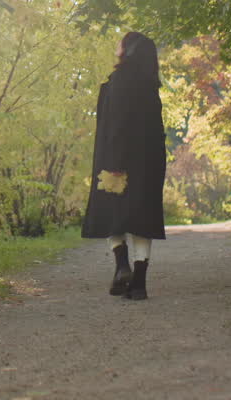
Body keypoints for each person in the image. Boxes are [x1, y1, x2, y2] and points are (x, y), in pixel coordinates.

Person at [81, 31, 166, 300]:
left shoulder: (120, 80)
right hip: (149, 160)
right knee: (143, 219)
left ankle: (121, 266)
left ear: (128, 49)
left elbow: (116, 123)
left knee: (111, 213)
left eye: (121, 42)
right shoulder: (150, 84)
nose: (116, 45)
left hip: (118, 160)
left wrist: (115, 161)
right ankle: (139, 284)